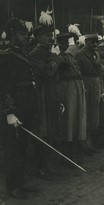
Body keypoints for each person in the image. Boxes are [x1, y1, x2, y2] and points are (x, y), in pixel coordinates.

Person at [0, 17, 39, 199]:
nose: (26, 38)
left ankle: (20, 183)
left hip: (26, 106)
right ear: (13, 34)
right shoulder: (6, 56)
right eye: (22, 34)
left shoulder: (21, 53)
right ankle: (12, 186)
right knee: (12, 149)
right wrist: (10, 112)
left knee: (23, 147)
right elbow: (4, 86)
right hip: (15, 108)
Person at [29, 11, 61, 178]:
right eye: (47, 36)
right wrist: (55, 58)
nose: (50, 38)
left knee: (50, 130)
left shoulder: (48, 52)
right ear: (38, 37)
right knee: (42, 130)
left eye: (50, 35)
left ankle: (47, 165)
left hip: (51, 95)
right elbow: (47, 72)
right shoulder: (35, 54)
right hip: (41, 96)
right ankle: (40, 167)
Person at [56, 32, 87, 164]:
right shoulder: (60, 55)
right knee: (68, 121)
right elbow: (63, 62)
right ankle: (66, 155)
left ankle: (74, 150)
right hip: (67, 89)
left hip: (75, 88)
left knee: (76, 120)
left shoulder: (71, 54)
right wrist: (64, 51)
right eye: (69, 43)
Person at [75, 34, 101, 155]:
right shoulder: (79, 54)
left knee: (93, 114)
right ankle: (82, 144)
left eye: (96, 42)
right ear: (86, 42)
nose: (95, 45)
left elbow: (99, 70)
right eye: (92, 42)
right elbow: (78, 71)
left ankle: (89, 142)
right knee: (84, 113)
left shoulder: (96, 54)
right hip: (85, 83)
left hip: (95, 83)